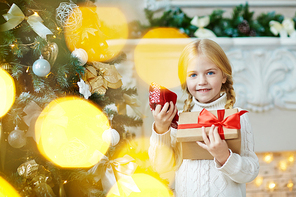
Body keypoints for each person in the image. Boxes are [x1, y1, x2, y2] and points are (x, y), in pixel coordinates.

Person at [148, 39, 259, 197]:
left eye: (210, 73)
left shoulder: (238, 117)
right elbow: (161, 167)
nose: (202, 81)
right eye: (193, 75)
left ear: (224, 76)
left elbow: (250, 172)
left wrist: (224, 156)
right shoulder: (177, 119)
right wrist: (161, 129)